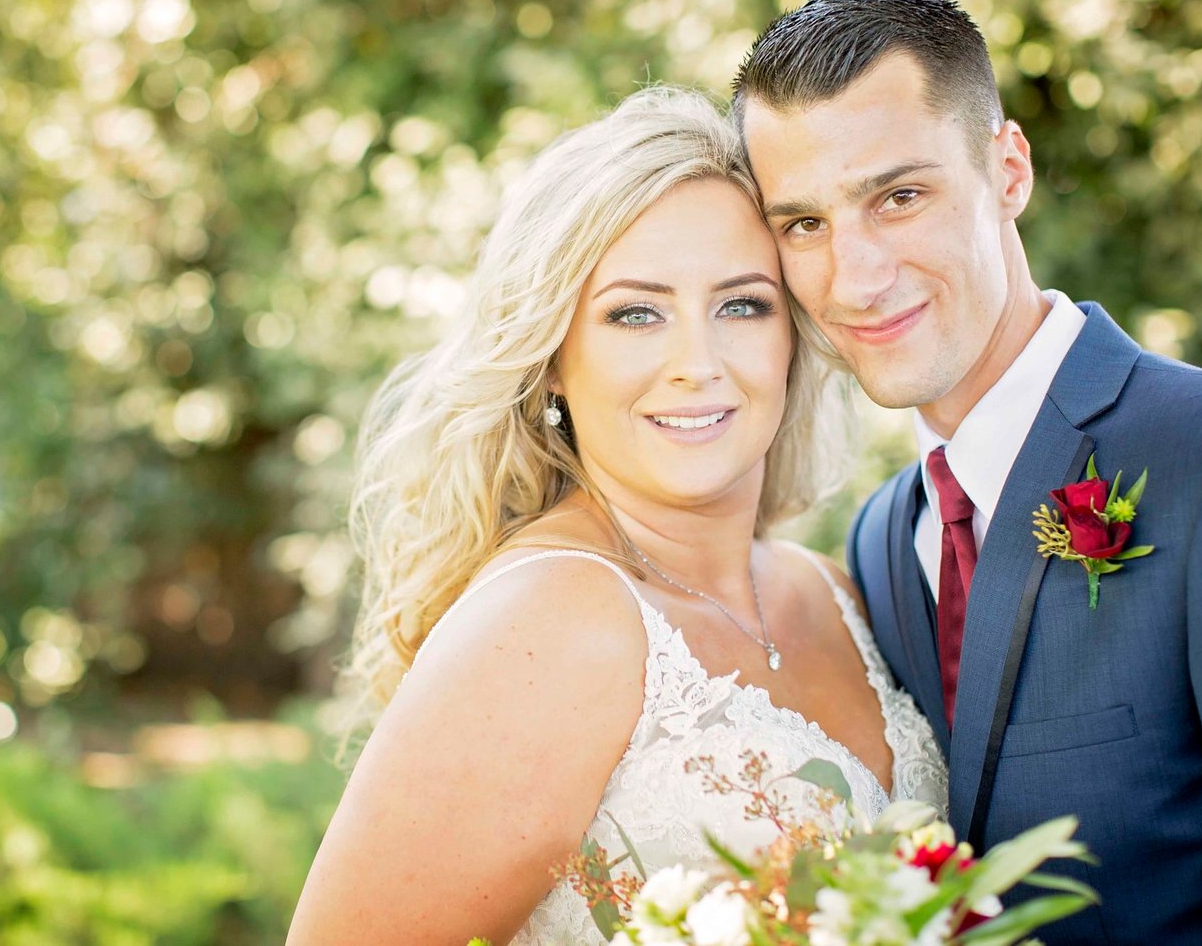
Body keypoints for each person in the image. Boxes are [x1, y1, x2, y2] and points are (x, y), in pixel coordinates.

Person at [733, 0, 1202, 944]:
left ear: (1008, 169)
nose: (854, 274)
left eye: (898, 197)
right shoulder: (888, 536)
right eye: (804, 222)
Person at [287, 87, 945, 945]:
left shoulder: (836, 592)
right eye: (636, 313)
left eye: (742, 304)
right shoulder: (550, 618)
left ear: (795, 332)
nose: (697, 364)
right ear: (554, 356)